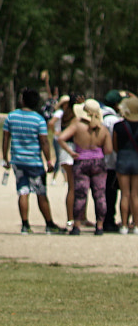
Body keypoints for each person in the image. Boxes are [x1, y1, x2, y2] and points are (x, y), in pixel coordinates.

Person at [3, 88, 58, 234]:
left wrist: (5, 157)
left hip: (18, 160)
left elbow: (5, 138)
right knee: (41, 192)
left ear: (23, 100)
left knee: (23, 191)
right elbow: (44, 142)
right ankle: (49, 223)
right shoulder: (38, 120)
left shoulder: (11, 117)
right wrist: (49, 161)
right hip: (34, 161)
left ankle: (25, 224)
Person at [59, 99, 114, 235]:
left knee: (80, 194)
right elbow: (108, 150)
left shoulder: (77, 126)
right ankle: (99, 226)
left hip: (81, 160)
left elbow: (60, 138)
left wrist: (71, 152)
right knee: (100, 195)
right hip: (98, 163)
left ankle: (77, 225)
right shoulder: (103, 129)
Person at [114, 97, 138, 236]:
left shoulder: (119, 126)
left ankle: (123, 225)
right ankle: (136, 225)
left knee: (125, 194)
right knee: (136, 195)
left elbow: (115, 146)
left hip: (123, 158)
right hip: (137, 159)